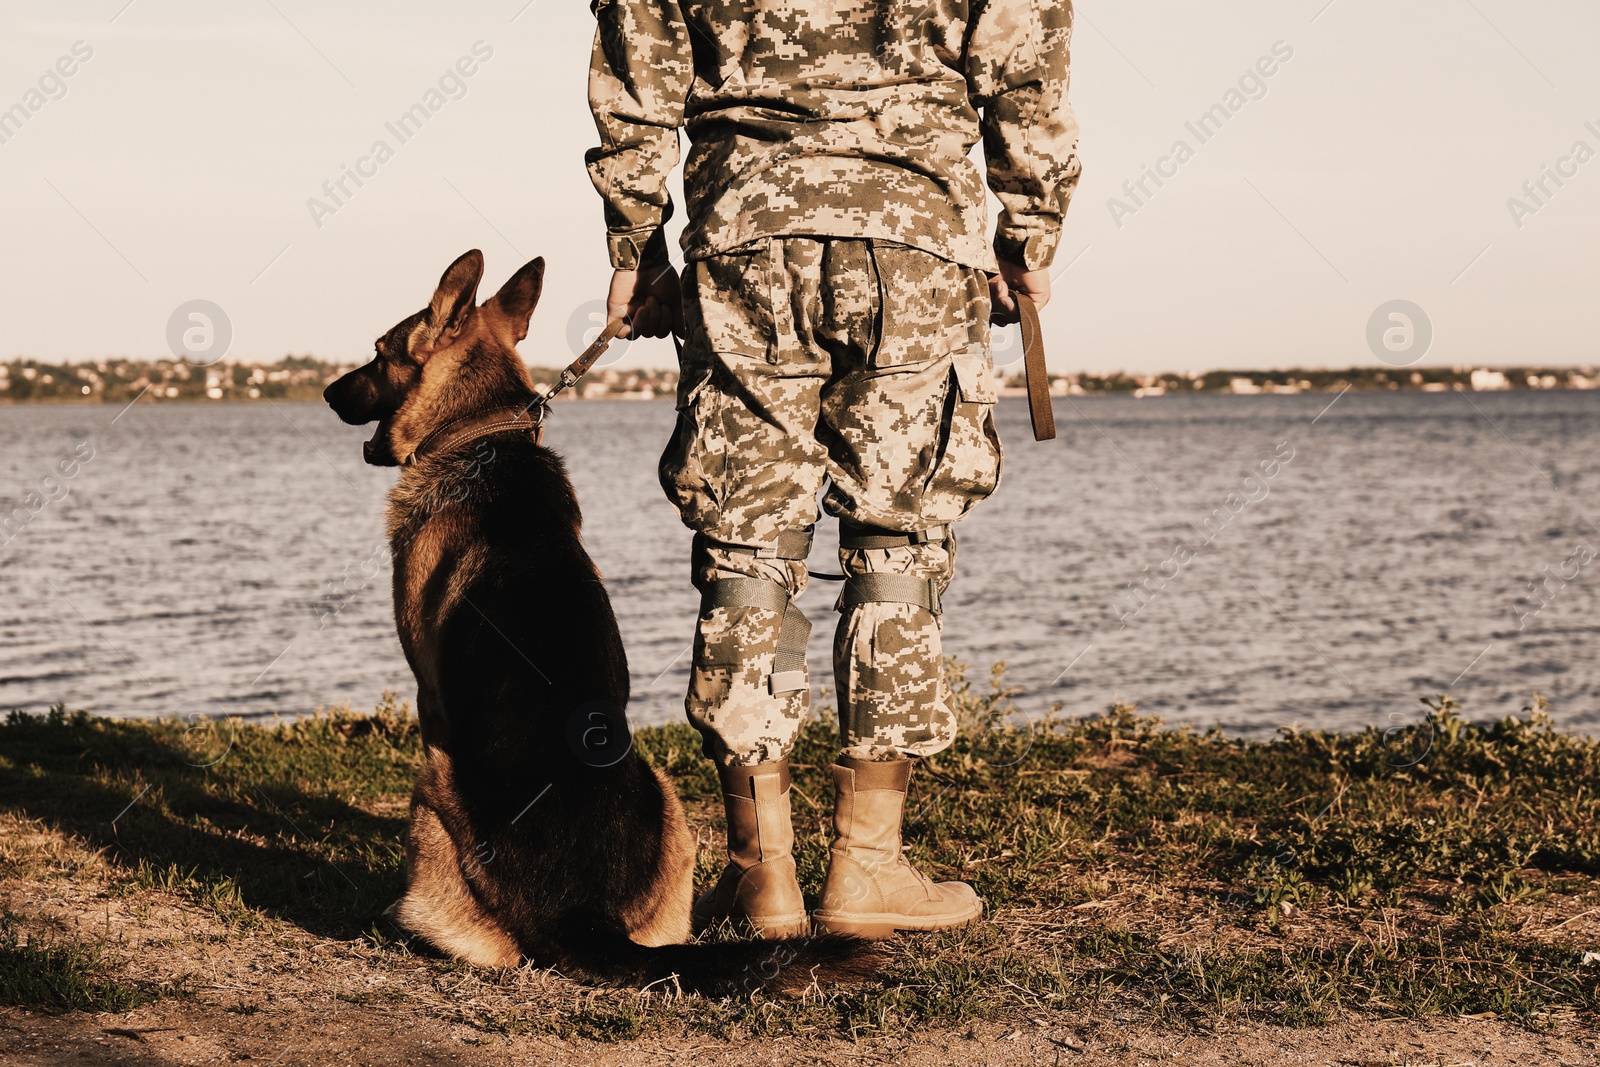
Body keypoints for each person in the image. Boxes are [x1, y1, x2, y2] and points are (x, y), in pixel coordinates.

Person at [587, 0, 1080, 939]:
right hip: (916, 235)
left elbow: (636, 71)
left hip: (747, 234)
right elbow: (1028, 66)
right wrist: (1028, 240)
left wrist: (634, 247)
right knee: (898, 539)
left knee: (747, 542)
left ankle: (760, 874)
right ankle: (868, 866)